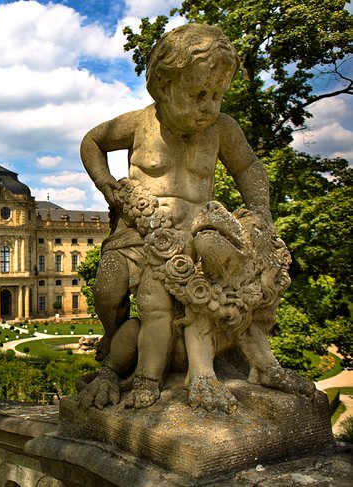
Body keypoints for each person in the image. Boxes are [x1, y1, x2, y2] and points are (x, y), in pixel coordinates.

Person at [78, 23, 272, 410]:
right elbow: (92, 142)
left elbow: (248, 168)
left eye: (216, 95)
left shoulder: (222, 128)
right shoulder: (139, 122)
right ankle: (116, 340)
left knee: (164, 309)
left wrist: (260, 212)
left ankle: (149, 364)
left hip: (192, 235)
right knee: (107, 290)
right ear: (163, 85)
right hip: (137, 229)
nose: (207, 107)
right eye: (198, 94)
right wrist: (106, 184)